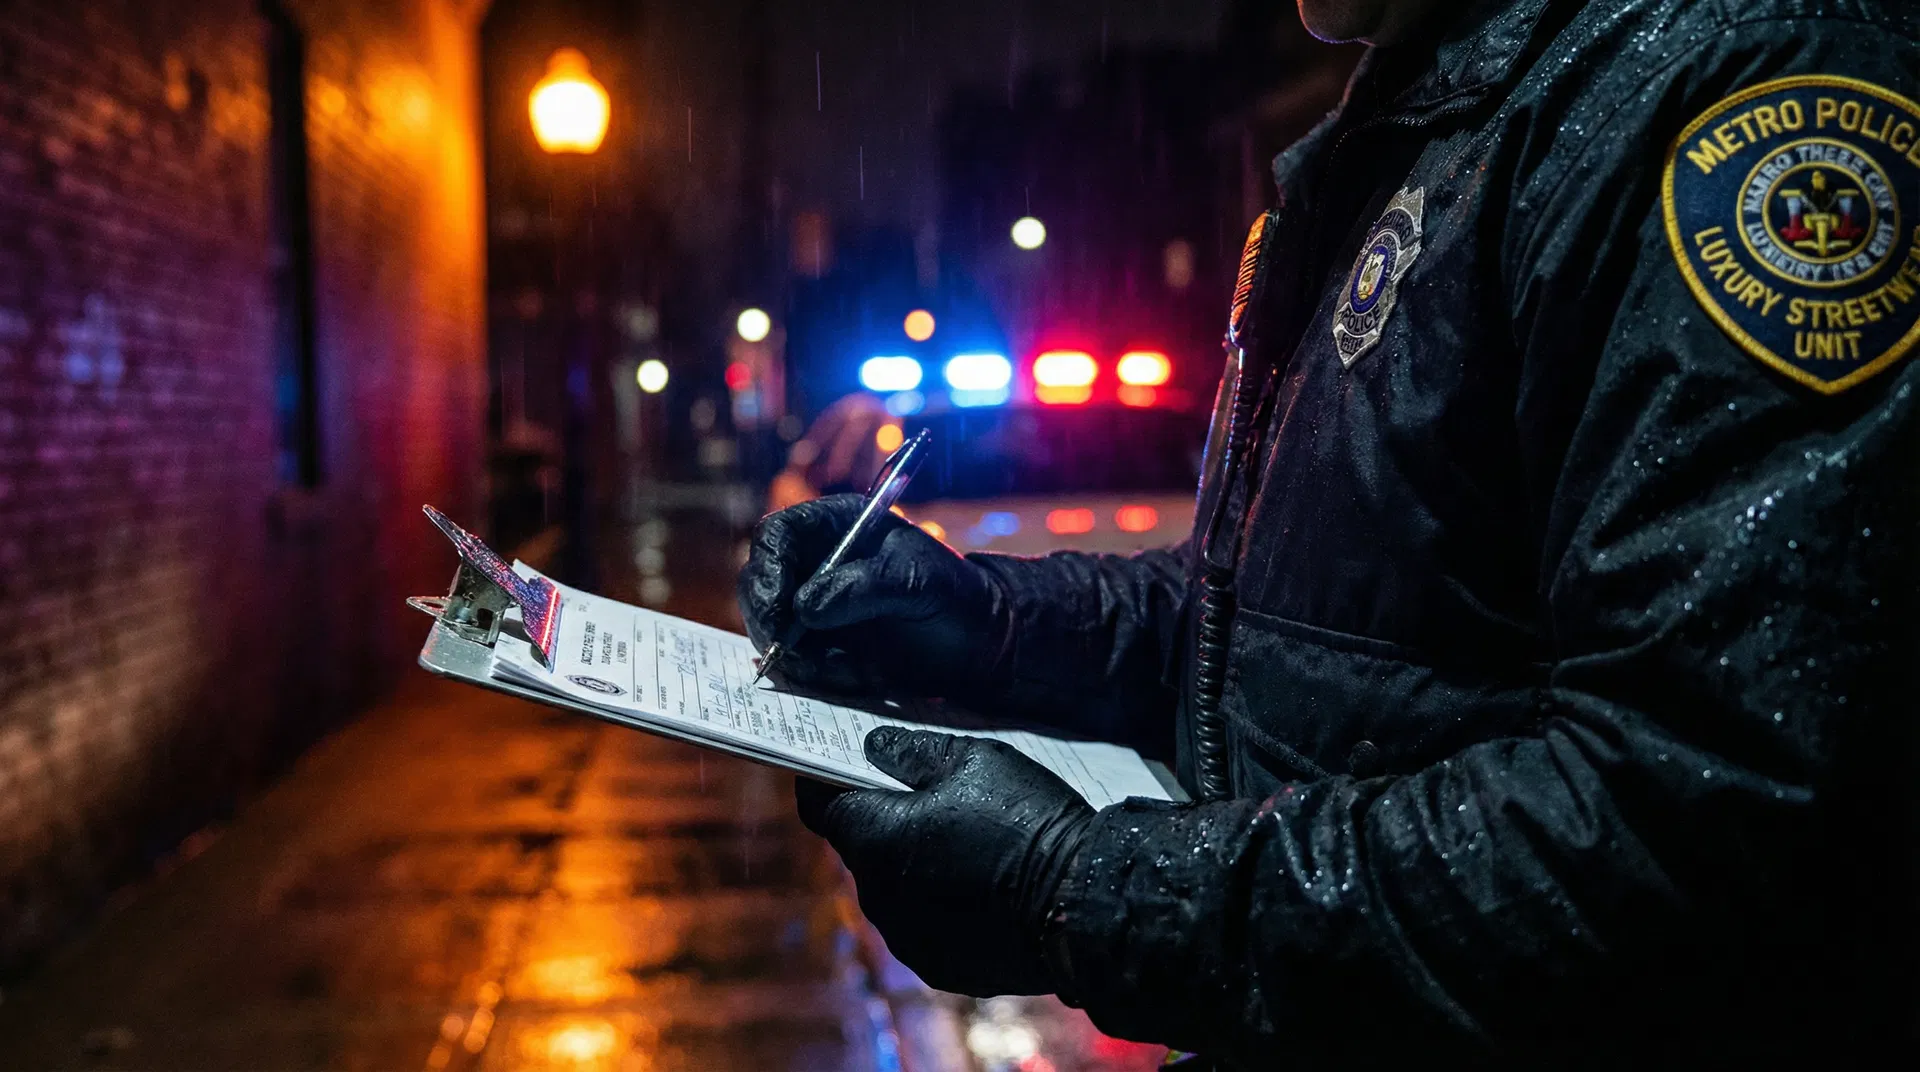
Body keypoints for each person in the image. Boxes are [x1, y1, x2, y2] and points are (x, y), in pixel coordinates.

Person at [740, 0, 1918, 1064]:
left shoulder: (1725, 80)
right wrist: (986, 621)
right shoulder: (1448, 109)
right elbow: (1291, 630)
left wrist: (1084, 891)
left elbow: (1703, 824)